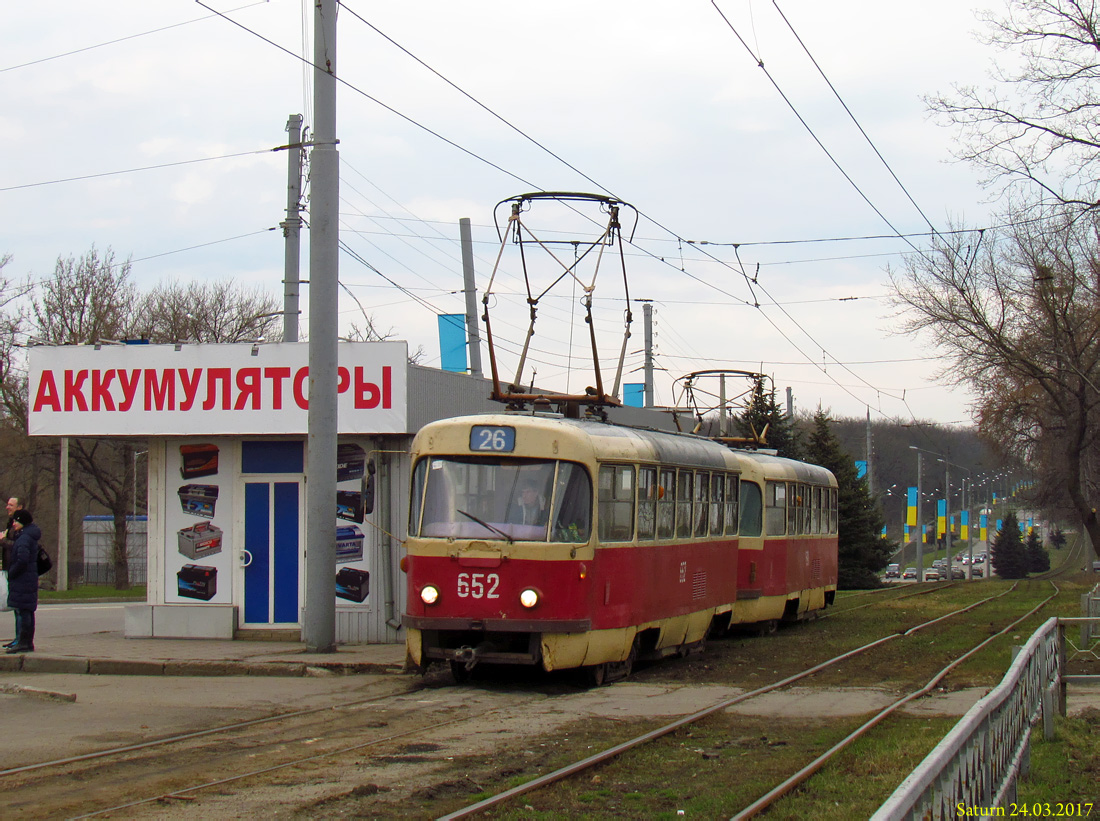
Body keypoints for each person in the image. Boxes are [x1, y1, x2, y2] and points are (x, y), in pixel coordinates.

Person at [6, 509, 40, 654]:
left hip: (22, 579)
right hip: (29, 578)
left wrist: (11, 573)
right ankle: (27, 642)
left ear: (22, 522)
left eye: (16, 521)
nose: (13, 524)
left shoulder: (24, 538)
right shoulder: (29, 536)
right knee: (27, 611)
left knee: (23, 611)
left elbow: (22, 560)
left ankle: (23, 642)